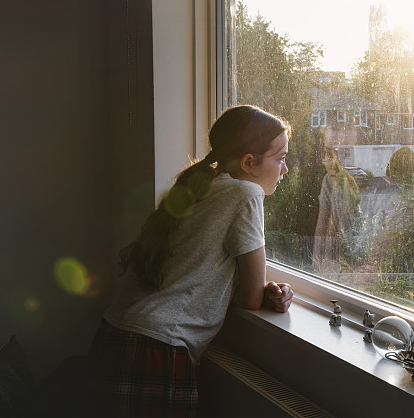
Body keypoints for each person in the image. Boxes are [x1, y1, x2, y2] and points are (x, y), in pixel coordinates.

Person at [87, 105, 294, 417]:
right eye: (280, 158)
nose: (285, 169)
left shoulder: (199, 186)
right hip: (156, 352)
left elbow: (197, 262)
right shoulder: (246, 193)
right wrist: (263, 291)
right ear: (249, 163)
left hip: (113, 337)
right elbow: (250, 299)